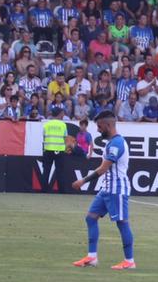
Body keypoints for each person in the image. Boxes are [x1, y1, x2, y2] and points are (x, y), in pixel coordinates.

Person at [70, 110, 135, 270]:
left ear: (108, 125)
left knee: (122, 223)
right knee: (91, 218)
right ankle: (92, 257)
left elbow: (104, 168)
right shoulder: (111, 143)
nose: (98, 130)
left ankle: (129, 261)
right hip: (107, 189)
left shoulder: (117, 144)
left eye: (99, 126)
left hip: (117, 189)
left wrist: (83, 181)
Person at [41, 105, 70, 193]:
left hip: (48, 150)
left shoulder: (46, 125)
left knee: (46, 171)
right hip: (59, 150)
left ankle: (44, 190)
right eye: (62, 113)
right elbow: (66, 138)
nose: (63, 115)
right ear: (59, 114)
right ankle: (61, 191)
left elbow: (44, 137)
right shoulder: (63, 125)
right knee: (60, 172)